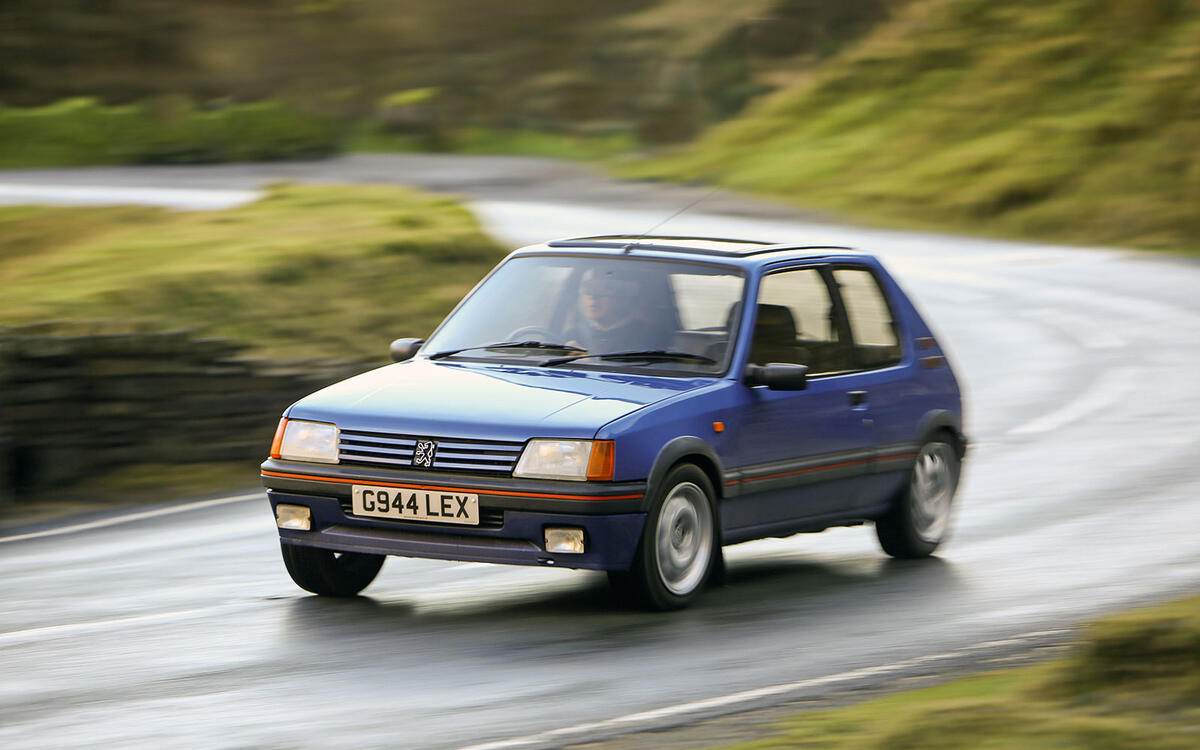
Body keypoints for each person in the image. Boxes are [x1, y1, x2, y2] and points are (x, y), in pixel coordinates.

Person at [566, 268, 660, 353]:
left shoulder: (648, 339)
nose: (593, 296)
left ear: (625, 297)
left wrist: (592, 362)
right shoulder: (571, 336)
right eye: (589, 288)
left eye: (604, 289)